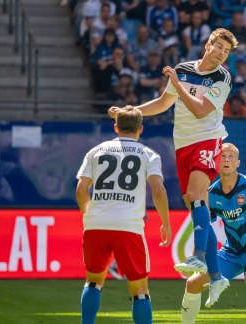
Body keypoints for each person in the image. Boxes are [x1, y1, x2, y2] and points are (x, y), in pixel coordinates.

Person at [108, 29, 239, 301]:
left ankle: (199, 257)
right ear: (208, 45)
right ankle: (216, 277)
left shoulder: (222, 78)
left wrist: (178, 85)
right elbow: (163, 103)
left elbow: (201, 110)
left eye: (225, 51)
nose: (220, 53)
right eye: (218, 47)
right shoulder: (183, 69)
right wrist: (129, 111)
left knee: (194, 196)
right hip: (183, 145)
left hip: (208, 140)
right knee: (196, 205)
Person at [76, 106, 172, 324]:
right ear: (141, 129)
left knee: (93, 282)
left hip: (96, 224)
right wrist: (166, 223)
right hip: (128, 226)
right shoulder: (149, 154)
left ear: (116, 127)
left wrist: (89, 215)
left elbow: (81, 190)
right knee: (139, 290)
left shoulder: (96, 151)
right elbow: (158, 190)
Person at [180, 143, 246, 324]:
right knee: (192, 283)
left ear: (238, 163)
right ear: (216, 161)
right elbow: (204, 226)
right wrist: (196, 256)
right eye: (222, 156)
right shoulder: (212, 193)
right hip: (230, 253)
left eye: (231, 157)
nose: (226, 159)